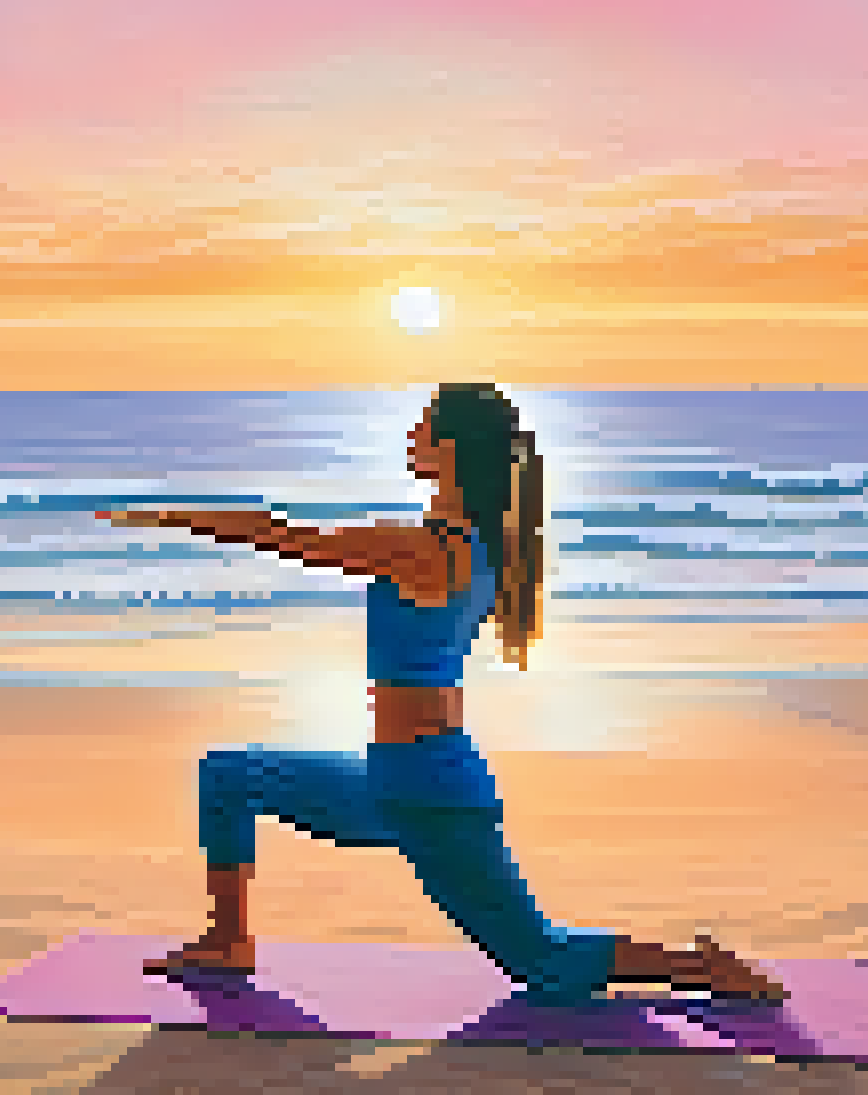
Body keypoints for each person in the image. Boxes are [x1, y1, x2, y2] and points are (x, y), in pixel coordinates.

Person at [94, 383, 787, 1005]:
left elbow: (290, 538)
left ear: (452, 448)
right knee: (227, 775)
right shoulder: (486, 546)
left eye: (423, 425)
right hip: (396, 779)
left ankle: (701, 967)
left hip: (430, 794)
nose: (410, 436)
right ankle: (229, 940)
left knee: (545, 962)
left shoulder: (424, 550)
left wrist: (174, 517)